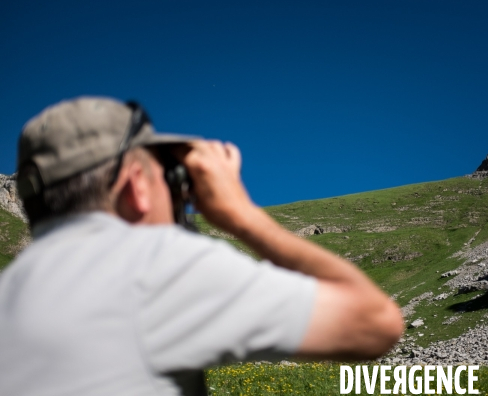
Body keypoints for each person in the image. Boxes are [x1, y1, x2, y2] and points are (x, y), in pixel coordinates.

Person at [0, 97, 404, 396]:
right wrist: (239, 212)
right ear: (137, 186)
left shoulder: (10, 291)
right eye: (165, 175)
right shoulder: (152, 265)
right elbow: (375, 324)